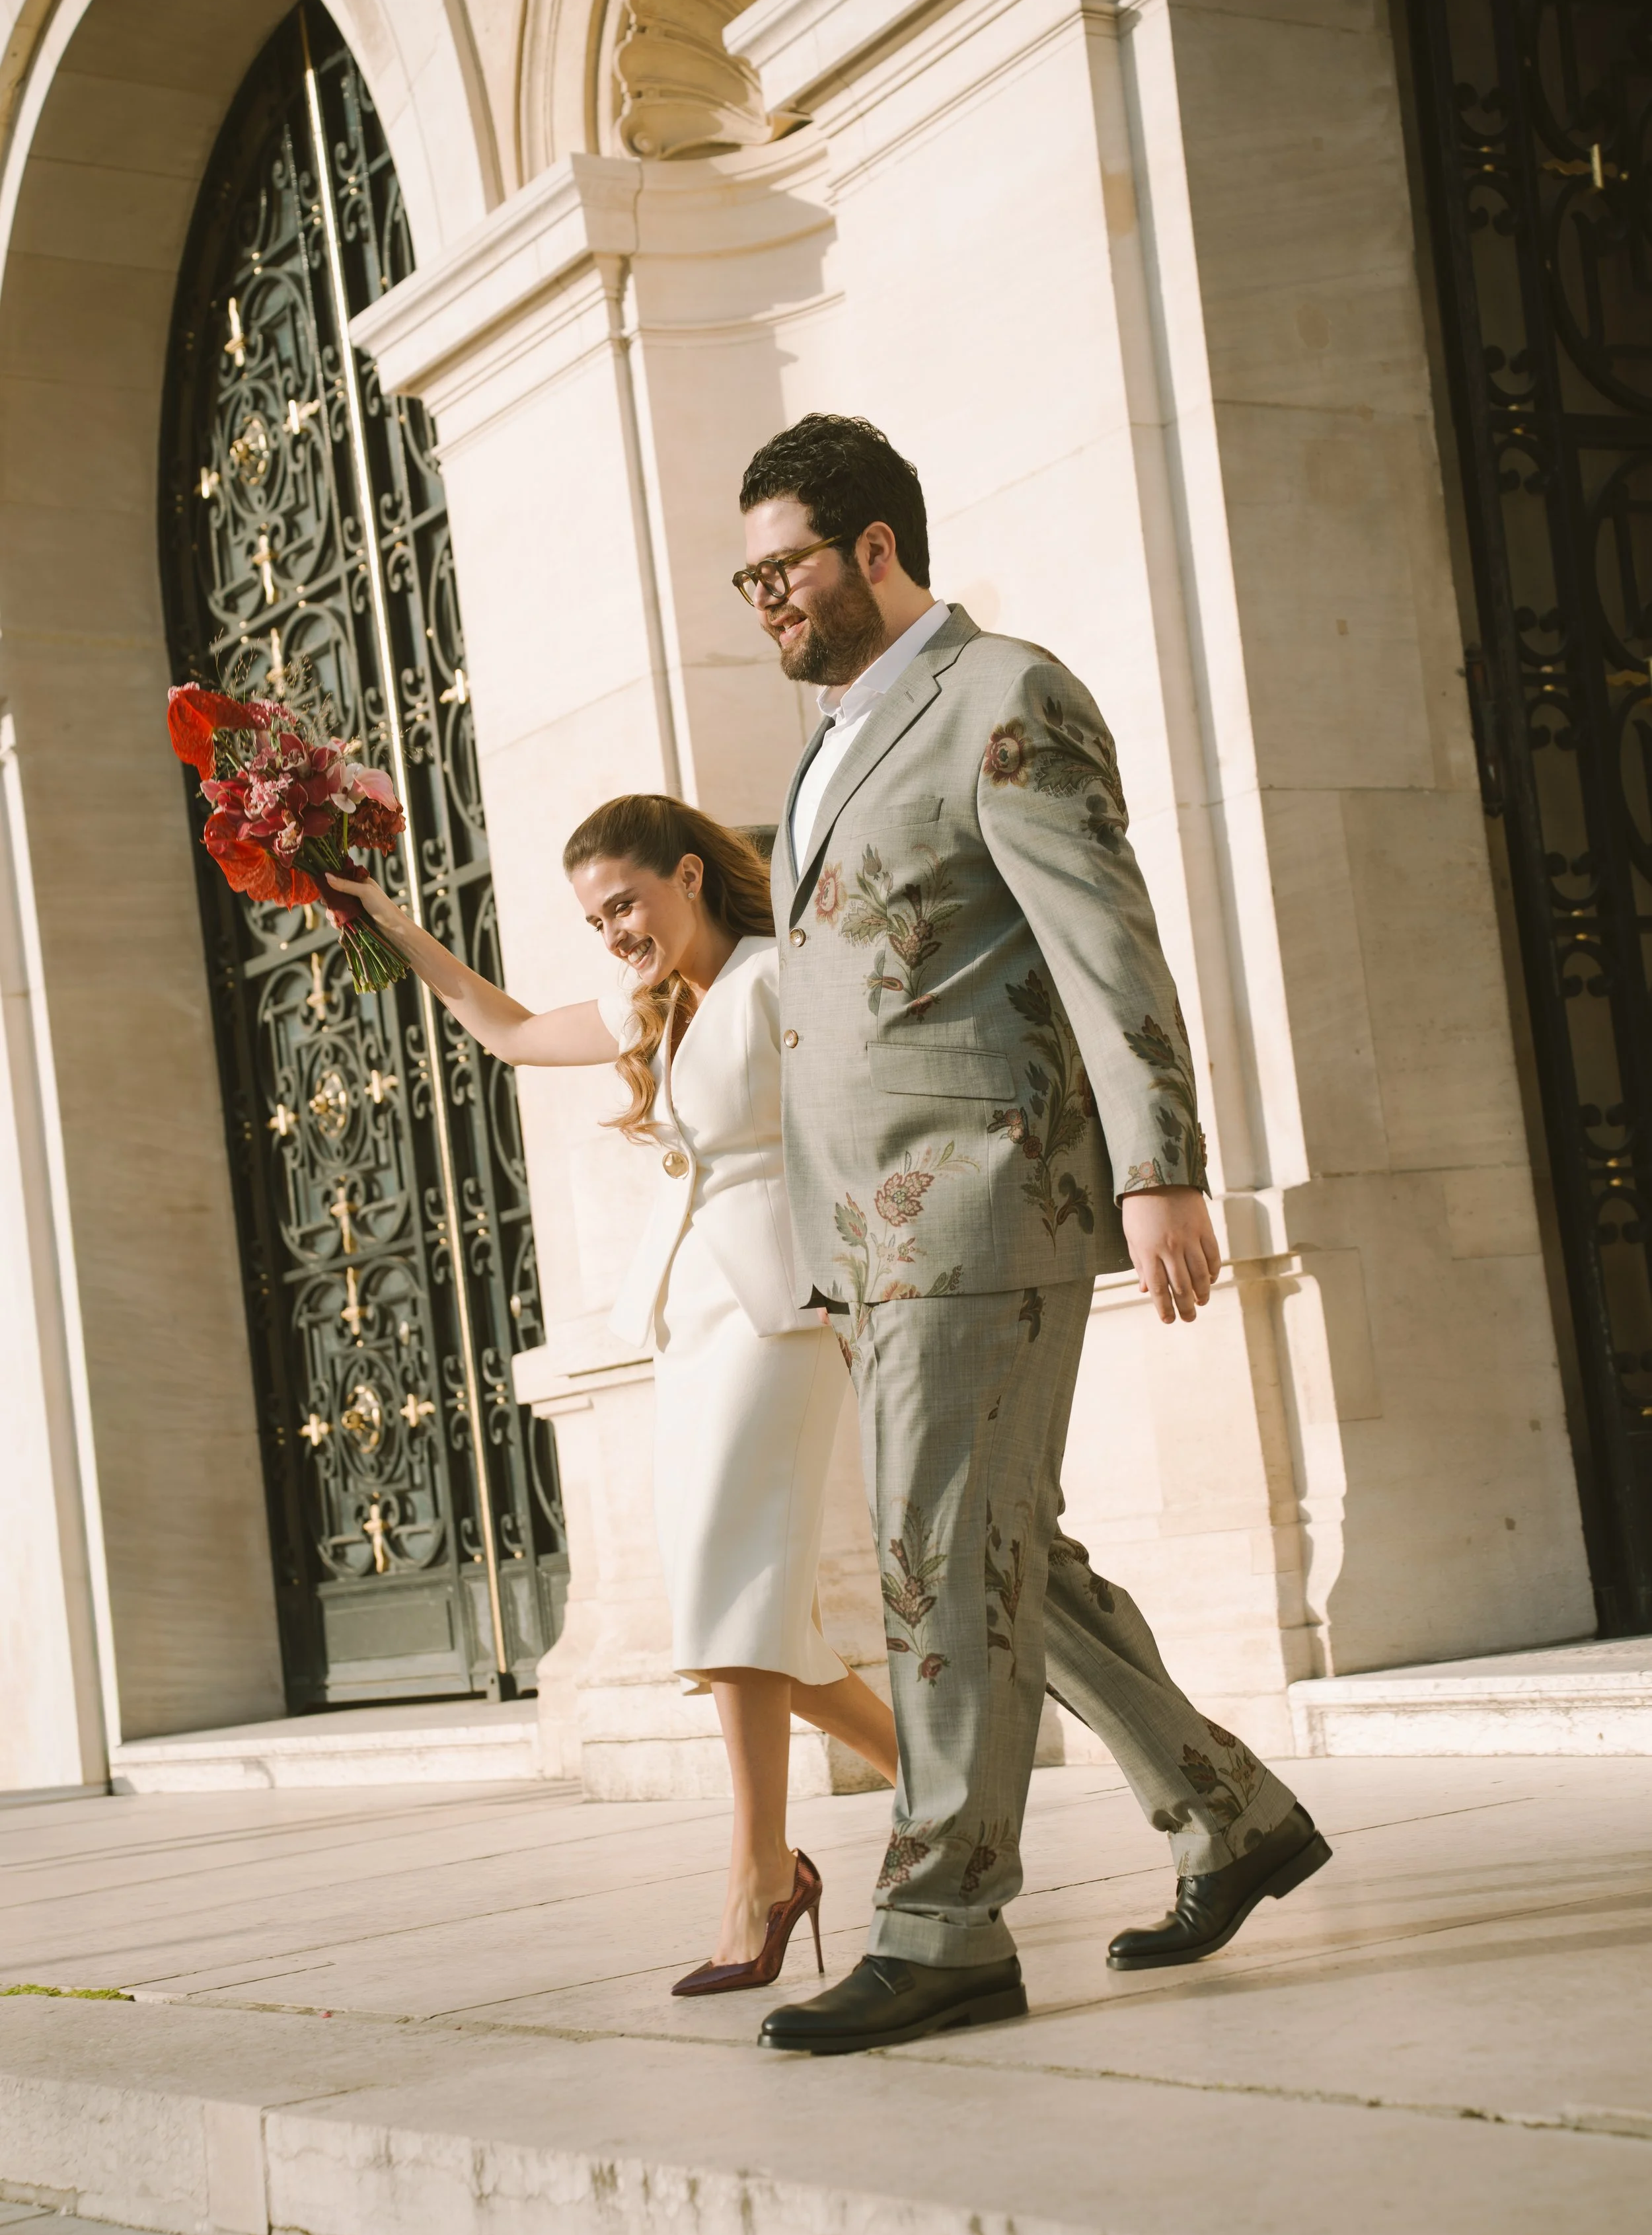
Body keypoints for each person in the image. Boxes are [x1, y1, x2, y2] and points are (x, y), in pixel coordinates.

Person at [732, 413, 1333, 2058]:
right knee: (1002, 1550)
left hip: (980, 1195)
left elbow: (1101, 943)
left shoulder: (1001, 694)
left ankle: (942, 1928)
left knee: (940, 1558)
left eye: (782, 566)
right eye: (746, 578)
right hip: (870, 1232)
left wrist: (1161, 1168)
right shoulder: (833, 738)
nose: (763, 599)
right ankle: (1229, 1815)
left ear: (873, 548)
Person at [329, 798, 902, 1992]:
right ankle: (942, 1790)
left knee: (732, 1598)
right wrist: (388, 922)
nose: (614, 933)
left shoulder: (779, 974)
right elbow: (508, 1029)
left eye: (625, 904)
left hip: (783, 1311)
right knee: (740, 1613)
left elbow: (869, 1119)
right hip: (689, 1318)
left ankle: (759, 1871)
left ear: (689, 875)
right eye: (595, 920)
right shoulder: (656, 1006)